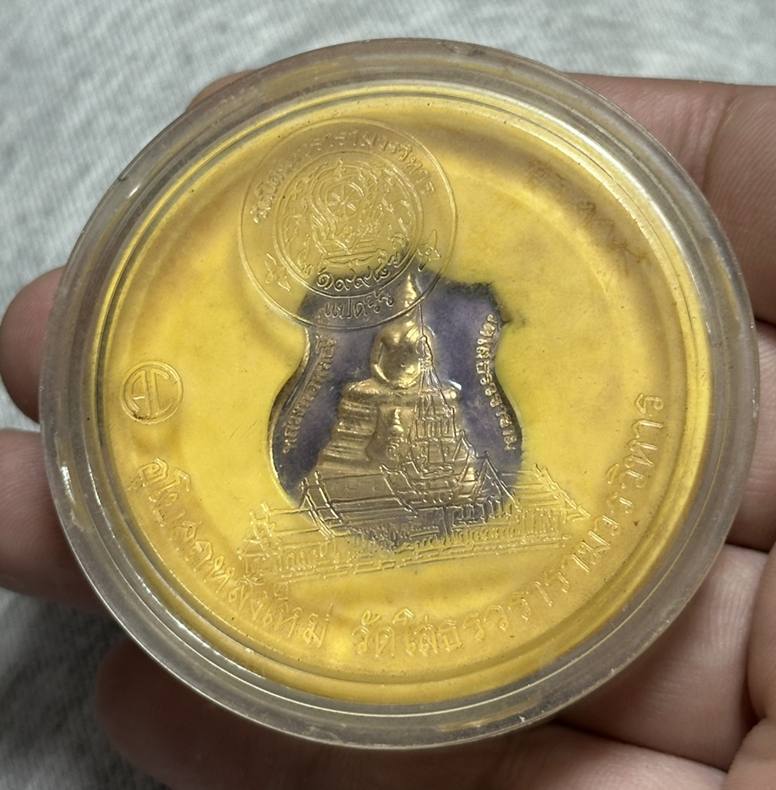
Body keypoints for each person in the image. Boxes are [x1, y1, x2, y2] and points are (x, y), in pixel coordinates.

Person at [0, 73, 774, 789]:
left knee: (436, 415)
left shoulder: (437, 333)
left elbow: (432, 369)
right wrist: (388, 387)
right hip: (366, 435)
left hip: (440, 438)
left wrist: (421, 382)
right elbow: (372, 376)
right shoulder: (362, 343)